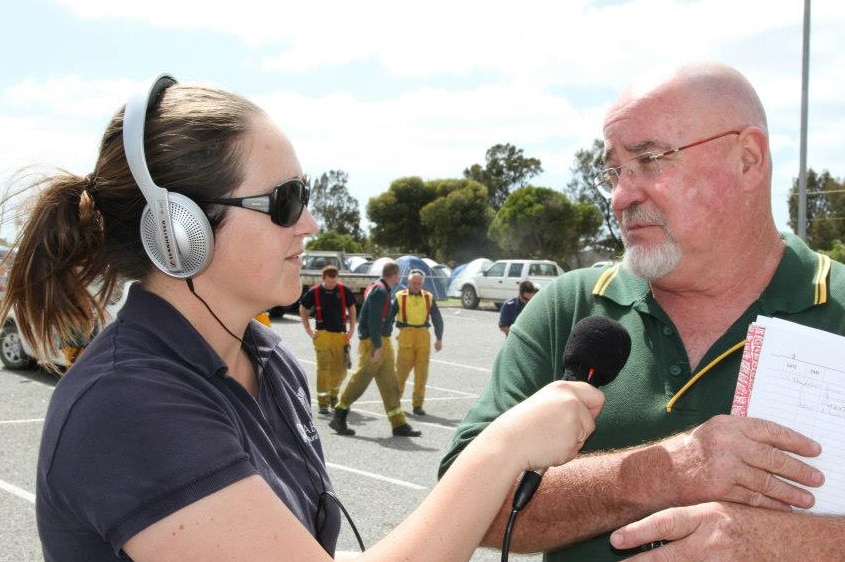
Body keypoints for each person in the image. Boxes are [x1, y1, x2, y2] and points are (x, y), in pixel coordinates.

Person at [0, 73, 607, 562]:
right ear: (180, 230)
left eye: (307, 194)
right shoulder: (126, 402)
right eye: (285, 200)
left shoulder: (268, 361)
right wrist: (500, 450)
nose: (310, 223)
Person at [439, 61, 845, 561]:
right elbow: (463, 509)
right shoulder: (567, 309)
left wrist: (795, 544)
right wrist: (662, 473)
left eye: (650, 159)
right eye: (614, 170)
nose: (621, 196)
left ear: (748, 159)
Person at [330, 261, 421, 437]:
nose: (399, 278)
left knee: (390, 383)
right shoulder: (380, 291)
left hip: (381, 341)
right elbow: (373, 319)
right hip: (376, 342)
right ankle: (339, 413)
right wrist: (378, 346)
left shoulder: (378, 288)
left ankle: (398, 423)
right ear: (395, 275)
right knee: (361, 378)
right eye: (399, 275)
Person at [299, 264, 357, 415]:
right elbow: (303, 308)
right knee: (323, 369)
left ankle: (333, 396)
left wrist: (351, 329)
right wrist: (307, 328)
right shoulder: (316, 291)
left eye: (334, 281)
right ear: (323, 278)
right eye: (329, 281)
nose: (332, 284)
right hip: (322, 335)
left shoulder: (343, 290)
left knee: (341, 370)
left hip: (340, 336)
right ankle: (323, 402)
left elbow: (352, 308)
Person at [392, 268, 444, 416]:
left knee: (422, 374)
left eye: (419, 283)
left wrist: (439, 338)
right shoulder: (399, 297)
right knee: (401, 373)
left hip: (423, 337)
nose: (416, 285)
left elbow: (437, 319)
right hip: (406, 335)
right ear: (408, 282)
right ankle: (395, 403)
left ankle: (418, 405)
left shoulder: (429, 297)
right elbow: (389, 316)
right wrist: (382, 336)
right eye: (414, 282)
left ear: (423, 283)